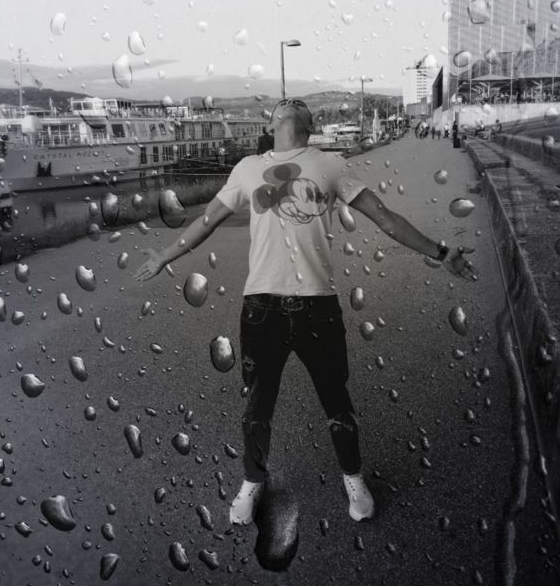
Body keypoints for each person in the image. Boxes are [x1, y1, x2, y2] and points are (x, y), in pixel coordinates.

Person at [134, 99, 477, 526]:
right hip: (262, 307)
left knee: (337, 399)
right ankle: (252, 480)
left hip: (319, 306)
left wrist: (440, 252)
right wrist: (164, 256)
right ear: (272, 121)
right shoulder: (247, 168)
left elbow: (384, 217)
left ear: (310, 125)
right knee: (257, 406)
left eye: (298, 105)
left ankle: (353, 478)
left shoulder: (331, 165)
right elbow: (207, 221)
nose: (290, 105)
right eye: (284, 104)